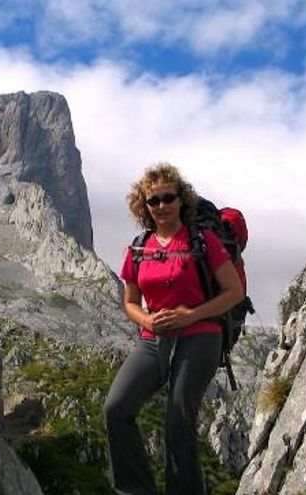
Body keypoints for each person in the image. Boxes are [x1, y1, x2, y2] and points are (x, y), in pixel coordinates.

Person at [104, 162, 244, 495]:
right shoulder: (139, 247)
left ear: (182, 200)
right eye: (153, 200)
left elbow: (234, 292)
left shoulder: (202, 240)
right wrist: (147, 320)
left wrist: (190, 315)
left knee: (179, 419)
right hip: (154, 338)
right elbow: (130, 302)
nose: (162, 205)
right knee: (116, 408)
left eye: (168, 198)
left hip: (201, 335)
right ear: (144, 206)